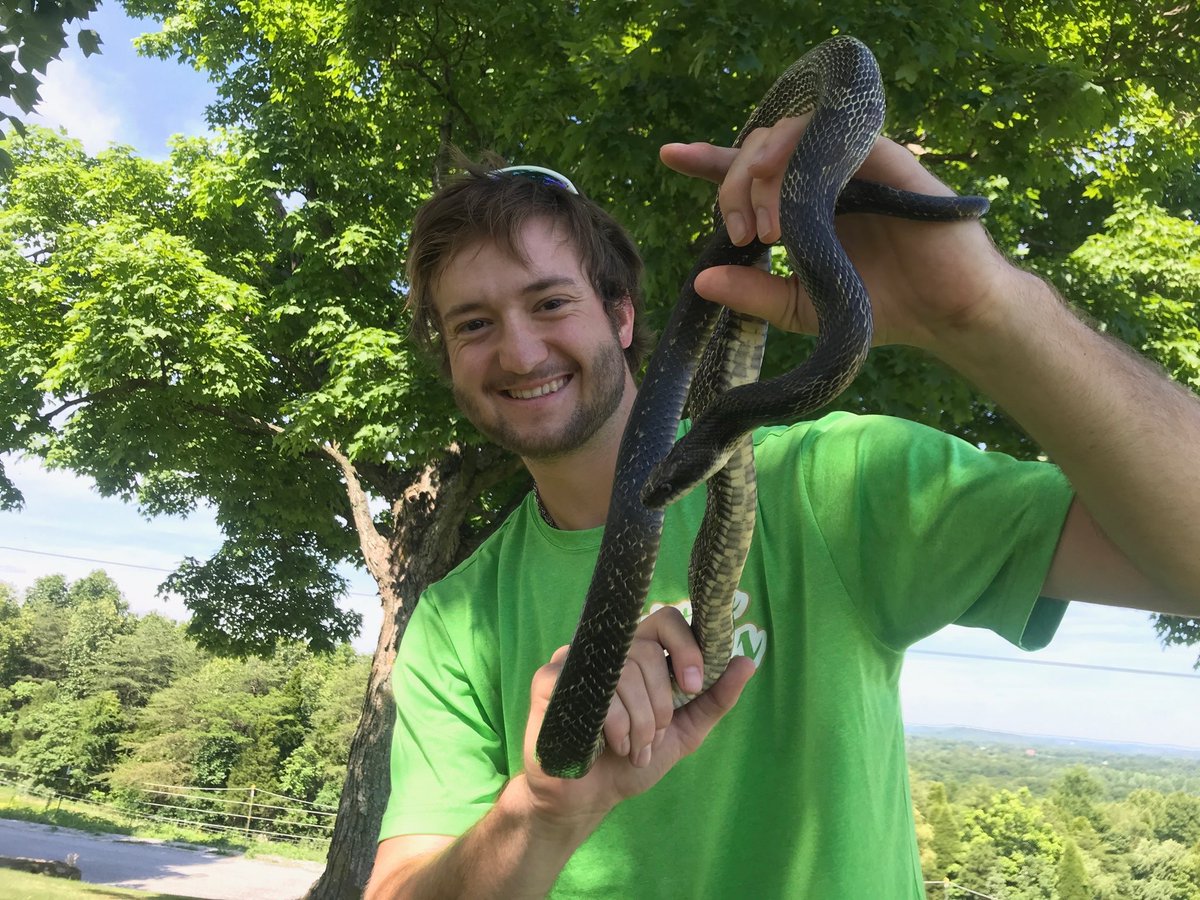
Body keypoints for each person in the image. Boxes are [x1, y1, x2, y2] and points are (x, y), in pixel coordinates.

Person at [364, 116, 1200, 898]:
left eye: (551, 303)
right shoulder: (458, 619)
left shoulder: (831, 483)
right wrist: (542, 812)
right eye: (473, 324)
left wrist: (981, 310)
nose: (518, 351)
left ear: (620, 316)